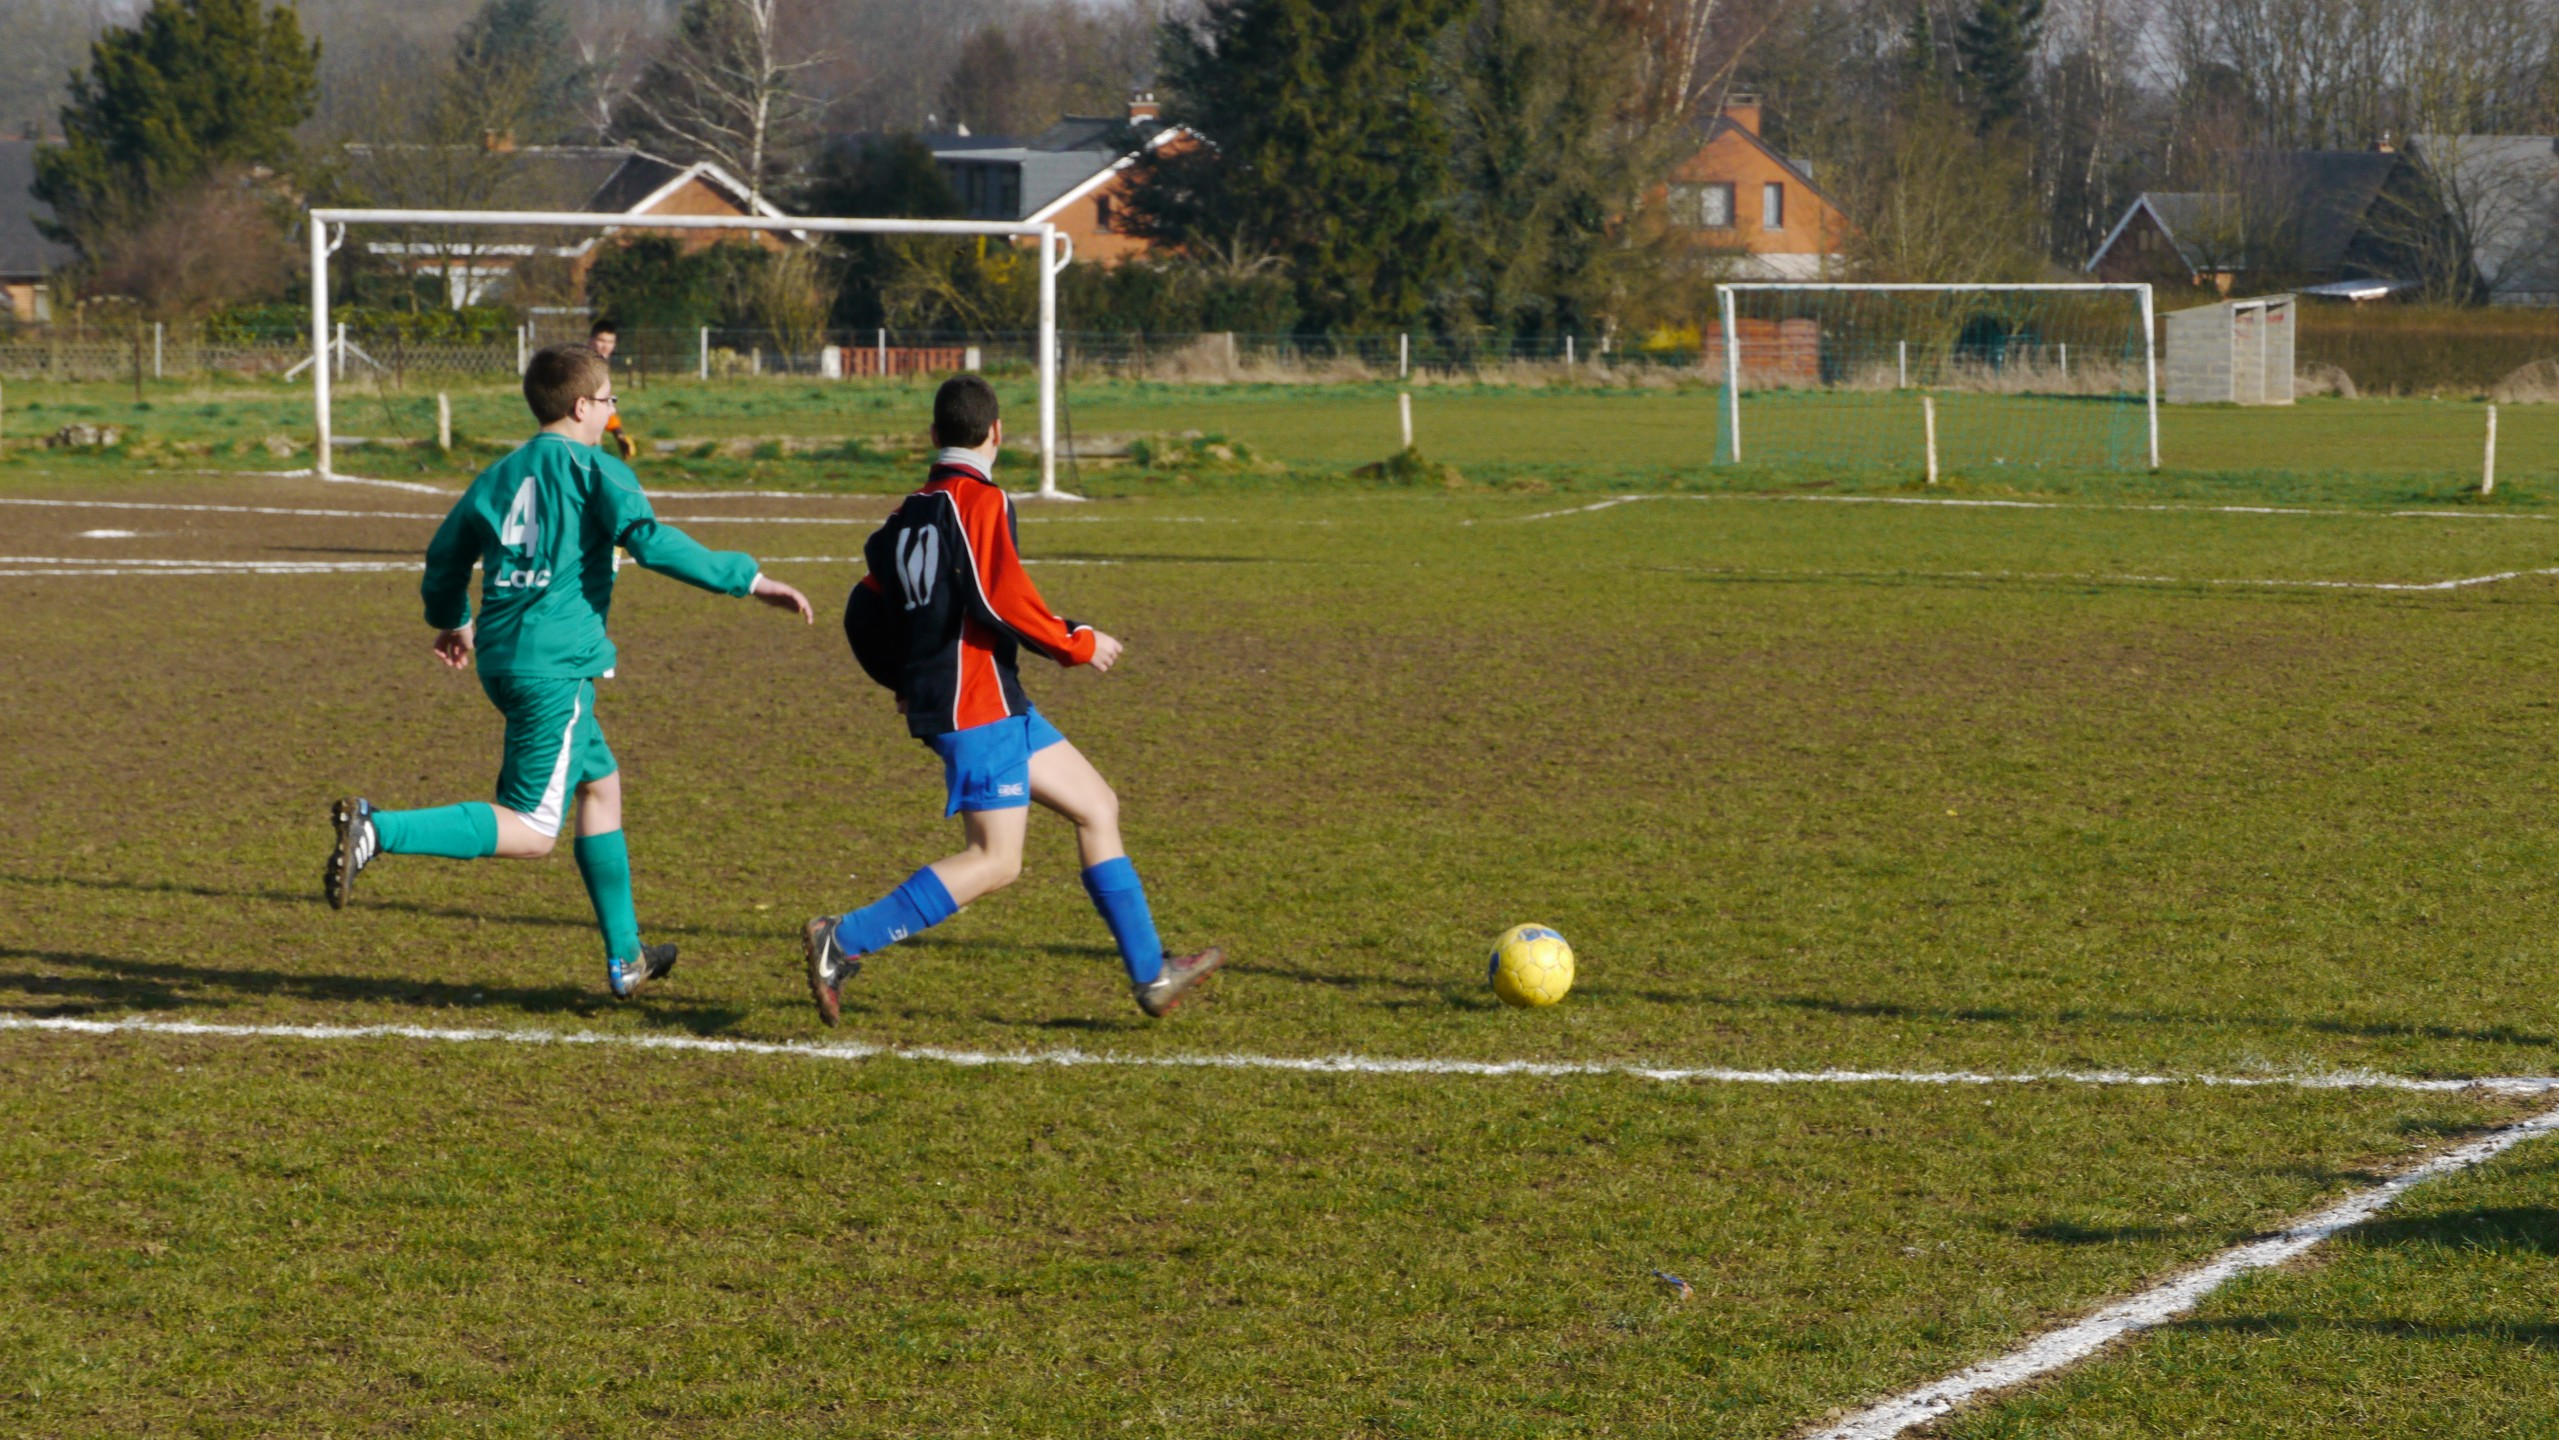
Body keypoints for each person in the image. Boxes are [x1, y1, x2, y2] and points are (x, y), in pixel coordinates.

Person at [326, 342, 815, 997]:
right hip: (554, 668)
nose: (613, 413)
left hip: (504, 658)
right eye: (610, 401)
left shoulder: (500, 473)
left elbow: (445, 555)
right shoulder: (598, 470)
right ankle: (378, 828)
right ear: (582, 406)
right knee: (531, 829)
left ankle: (626, 957)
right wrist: (749, 580)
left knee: (601, 786)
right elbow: (652, 543)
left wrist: (453, 617)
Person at [805, 374, 1222, 1024]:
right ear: (997, 433)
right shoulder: (980, 501)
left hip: (995, 700)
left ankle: (1152, 974)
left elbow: (863, 609)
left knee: (1097, 806)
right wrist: (1078, 643)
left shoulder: (907, 513)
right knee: (996, 860)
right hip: (976, 705)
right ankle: (843, 939)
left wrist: (902, 679)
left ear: (933, 435)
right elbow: (1001, 600)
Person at [588, 320, 637, 461]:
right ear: (591, 340)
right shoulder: (584, 367)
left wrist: (618, 433)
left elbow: (606, 402)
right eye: (601, 341)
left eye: (610, 342)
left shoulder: (602, 367)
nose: (605, 346)